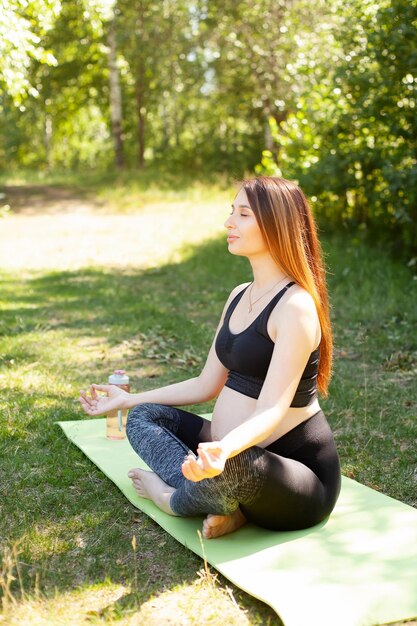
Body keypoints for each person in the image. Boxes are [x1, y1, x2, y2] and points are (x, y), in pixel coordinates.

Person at [79, 176, 341, 540]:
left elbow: (271, 412)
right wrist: (129, 399)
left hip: (292, 479)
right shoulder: (238, 295)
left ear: (276, 224)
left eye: (243, 214)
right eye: (231, 212)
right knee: (142, 418)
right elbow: (206, 384)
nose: (229, 223)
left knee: (234, 466)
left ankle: (173, 499)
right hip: (227, 454)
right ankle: (227, 504)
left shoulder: (295, 307)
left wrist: (223, 449)